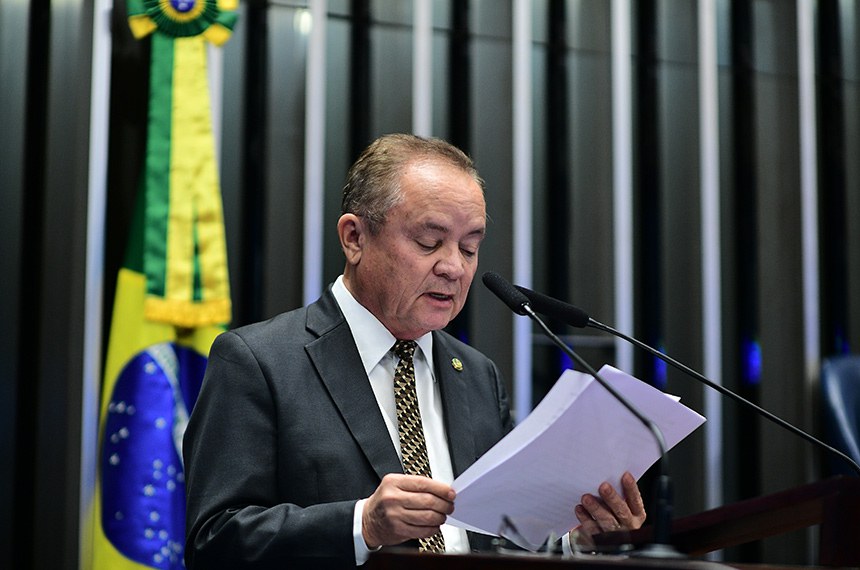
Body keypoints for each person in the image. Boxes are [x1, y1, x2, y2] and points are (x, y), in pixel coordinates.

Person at [183, 133, 646, 569]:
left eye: (469, 248)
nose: (453, 267)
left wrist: (579, 541)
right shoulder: (258, 361)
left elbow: (499, 536)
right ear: (355, 238)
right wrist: (361, 525)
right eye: (429, 242)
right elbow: (213, 541)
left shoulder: (477, 376)